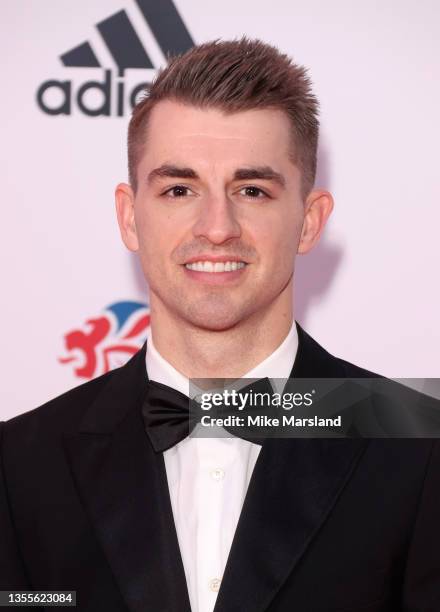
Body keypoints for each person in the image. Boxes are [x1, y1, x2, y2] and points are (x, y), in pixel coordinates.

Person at [1, 38, 439, 612]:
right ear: (130, 218)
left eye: (251, 190)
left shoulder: (420, 447)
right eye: (179, 189)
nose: (216, 227)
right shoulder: (20, 464)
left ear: (309, 222)